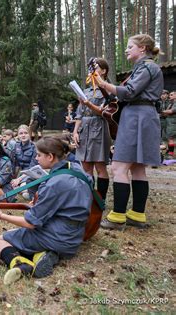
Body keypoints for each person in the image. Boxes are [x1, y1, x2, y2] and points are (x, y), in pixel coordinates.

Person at [0, 137, 93, 284]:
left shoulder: (54, 183)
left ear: (50, 156)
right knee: (29, 237)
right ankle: (44, 255)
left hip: (57, 238)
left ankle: (20, 263)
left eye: (38, 155)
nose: (36, 158)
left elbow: (30, 223)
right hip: (76, 238)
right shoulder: (77, 168)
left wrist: (0, 214)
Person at [95, 34, 164, 230]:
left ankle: (117, 217)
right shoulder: (145, 67)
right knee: (137, 168)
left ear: (142, 48)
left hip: (137, 117)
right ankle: (137, 215)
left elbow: (129, 92)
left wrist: (104, 84)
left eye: (130, 46)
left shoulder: (147, 67)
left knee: (119, 167)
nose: (126, 50)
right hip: (142, 116)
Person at [73, 57, 112, 202]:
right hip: (84, 128)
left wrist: (88, 104)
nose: (92, 71)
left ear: (103, 71)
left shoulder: (108, 90)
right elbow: (79, 113)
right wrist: (75, 131)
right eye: (91, 68)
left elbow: (103, 112)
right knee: (86, 166)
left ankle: (100, 200)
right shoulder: (86, 90)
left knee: (100, 166)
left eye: (95, 68)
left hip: (99, 128)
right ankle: (89, 199)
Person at [162, 91, 176, 159]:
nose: (169, 96)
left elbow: (171, 111)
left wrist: (161, 111)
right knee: (169, 138)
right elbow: (166, 113)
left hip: (173, 123)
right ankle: (169, 152)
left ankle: (171, 154)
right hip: (169, 123)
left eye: (171, 95)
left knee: (171, 138)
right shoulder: (171, 103)